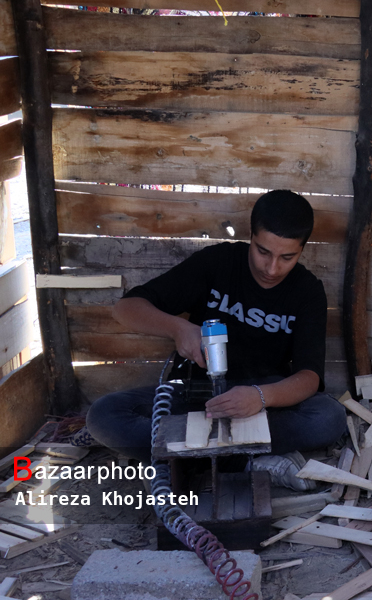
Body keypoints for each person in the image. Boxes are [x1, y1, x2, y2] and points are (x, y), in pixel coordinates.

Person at [86, 190, 347, 489]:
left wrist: (260, 397)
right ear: (252, 235)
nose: (272, 268)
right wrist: (177, 328)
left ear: (302, 249)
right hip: (196, 396)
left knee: (328, 417)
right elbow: (126, 308)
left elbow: (309, 377)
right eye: (263, 252)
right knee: (104, 416)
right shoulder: (218, 262)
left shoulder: (307, 291)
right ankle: (245, 460)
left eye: (287, 257)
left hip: (260, 404)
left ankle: (185, 458)